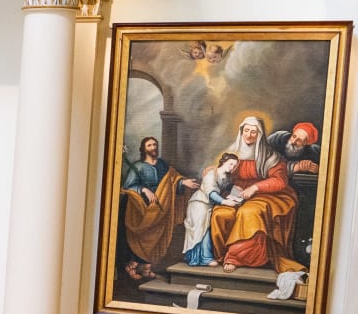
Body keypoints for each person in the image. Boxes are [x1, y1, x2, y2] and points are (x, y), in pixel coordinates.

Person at [208, 114, 303, 274]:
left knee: (249, 213)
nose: (249, 135)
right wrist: (213, 171)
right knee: (221, 213)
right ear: (241, 131)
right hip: (238, 193)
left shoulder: (270, 156)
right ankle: (222, 255)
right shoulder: (234, 152)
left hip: (268, 194)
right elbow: (223, 171)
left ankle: (237, 257)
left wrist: (255, 188)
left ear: (260, 134)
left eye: (254, 132)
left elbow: (280, 181)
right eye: (246, 131)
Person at [119, 136, 199, 267]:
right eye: (149, 145)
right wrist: (144, 189)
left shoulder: (162, 165)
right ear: (143, 149)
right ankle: (134, 265)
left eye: (155, 144)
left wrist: (183, 182)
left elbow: (172, 181)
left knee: (158, 236)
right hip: (144, 207)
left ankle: (148, 267)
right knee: (143, 236)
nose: (153, 147)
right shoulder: (138, 167)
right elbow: (127, 187)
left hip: (163, 205)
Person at [182, 152, 242, 266]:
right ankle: (204, 258)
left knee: (207, 228)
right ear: (223, 162)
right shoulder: (211, 175)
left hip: (209, 205)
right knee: (201, 230)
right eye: (230, 164)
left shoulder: (226, 176)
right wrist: (225, 202)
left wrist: (235, 188)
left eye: (234, 166)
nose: (232, 168)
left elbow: (226, 186)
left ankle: (205, 257)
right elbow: (211, 193)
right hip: (199, 204)